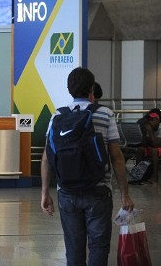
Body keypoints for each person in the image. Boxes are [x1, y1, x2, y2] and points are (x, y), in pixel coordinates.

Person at [40, 67, 133, 266]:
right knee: (99, 247)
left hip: (66, 192)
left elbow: (47, 158)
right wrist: (125, 194)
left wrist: (44, 193)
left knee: (73, 248)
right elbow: (116, 157)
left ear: (69, 89)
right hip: (98, 191)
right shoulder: (106, 114)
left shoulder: (57, 116)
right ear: (92, 88)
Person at [136, 109, 161, 184]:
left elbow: (156, 145)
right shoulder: (151, 129)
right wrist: (144, 133)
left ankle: (155, 178)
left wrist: (150, 131)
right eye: (149, 120)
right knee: (140, 150)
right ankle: (139, 175)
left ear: (157, 120)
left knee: (154, 150)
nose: (150, 122)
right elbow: (145, 144)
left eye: (152, 120)